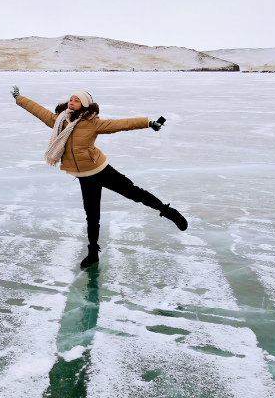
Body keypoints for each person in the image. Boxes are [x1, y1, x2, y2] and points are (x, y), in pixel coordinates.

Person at [11, 86, 187, 269]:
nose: (71, 102)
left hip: (101, 170)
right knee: (92, 215)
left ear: (85, 105)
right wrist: (19, 98)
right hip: (84, 176)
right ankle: (93, 253)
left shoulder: (93, 123)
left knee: (135, 193)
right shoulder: (60, 121)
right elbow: (39, 111)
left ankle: (168, 212)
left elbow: (122, 124)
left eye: (76, 100)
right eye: (70, 99)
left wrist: (149, 123)